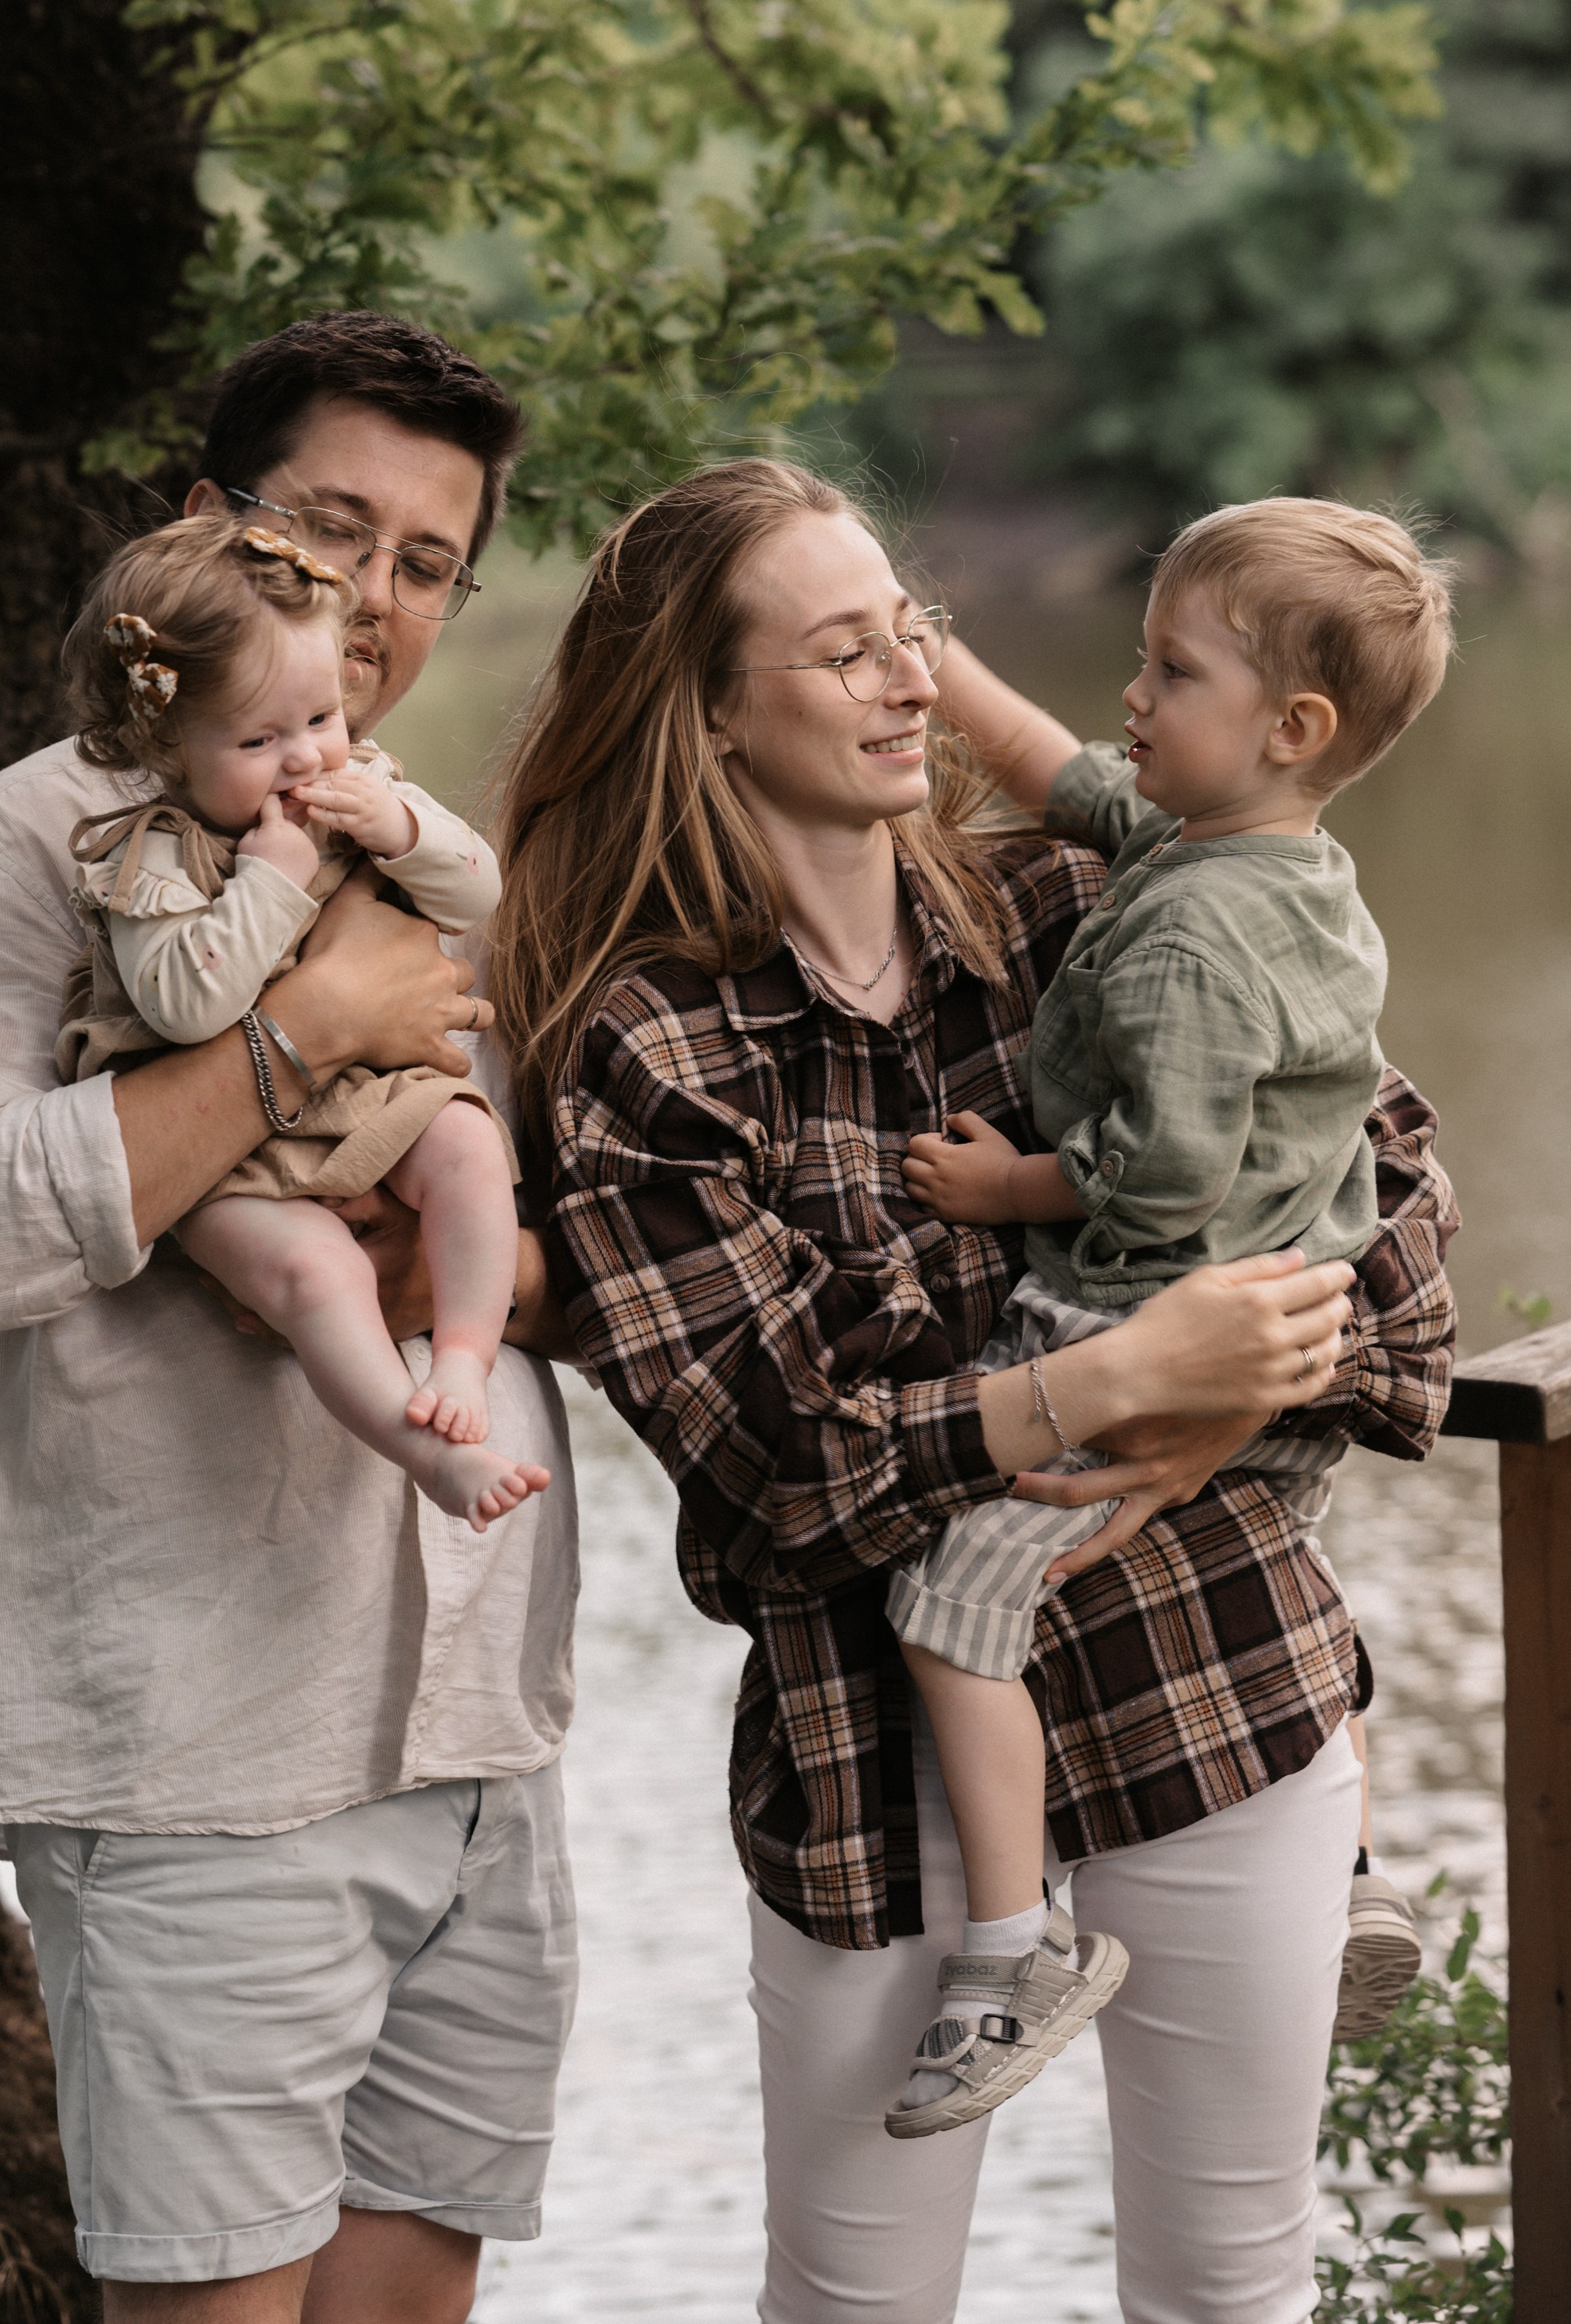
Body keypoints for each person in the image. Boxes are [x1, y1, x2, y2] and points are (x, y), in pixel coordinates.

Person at [493, 456, 1456, 2324]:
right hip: (875, 1757)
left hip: (1207, 1669)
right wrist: (1116, 1371)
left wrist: (1223, 1402)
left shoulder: (1093, 903)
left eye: (908, 633)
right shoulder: (648, 1044)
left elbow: (1390, 1205)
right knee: (855, 2307)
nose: (910, 680)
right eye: (843, 650)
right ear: (710, 707)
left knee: (1232, 2290)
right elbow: (782, 1466)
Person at [0, 313, 579, 2324]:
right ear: (207, 526)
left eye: (428, 563)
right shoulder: (26, 853)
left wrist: (477, 1274)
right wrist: (296, 1034)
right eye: (335, 531)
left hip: (474, 1734)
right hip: (202, 1760)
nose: (377, 597)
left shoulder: (405, 848)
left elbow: (535, 1235)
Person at [882, 497, 1451, 2132]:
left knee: (950, 1598)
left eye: (1171, 672)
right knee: (1286, 1547)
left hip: (1143, 1324)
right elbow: (1059, 771)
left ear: (1290, 727)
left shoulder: (1190, 936)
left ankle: (1015, 1949)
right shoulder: (1267, 856)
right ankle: (1345, 1868)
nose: (1132, 696)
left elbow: (1160, 1178)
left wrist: (1005, 1188)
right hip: (1296, 1314)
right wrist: (936, 659)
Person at [57, 512, 546, 1530]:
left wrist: (401, 828)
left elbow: (477, 891)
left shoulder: (361, 784)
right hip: (226, 1154)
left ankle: (464, 1355)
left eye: (320, 717)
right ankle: (425, 1451)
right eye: (258, 739)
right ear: (164, 740)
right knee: (312, 1271)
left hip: (364, 1096)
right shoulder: (154, 858)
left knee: (465, 1143)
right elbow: (185, 1004)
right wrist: (270, 885)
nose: (302, 758)